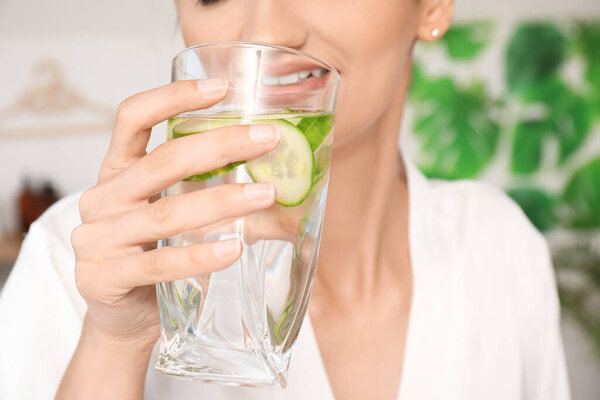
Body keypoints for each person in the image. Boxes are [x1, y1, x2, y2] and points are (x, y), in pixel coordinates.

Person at [0, 0, 571, 399]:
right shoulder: (80, 260)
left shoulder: (500, 245)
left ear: (433, 6)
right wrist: (114, 343)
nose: (266, 28)